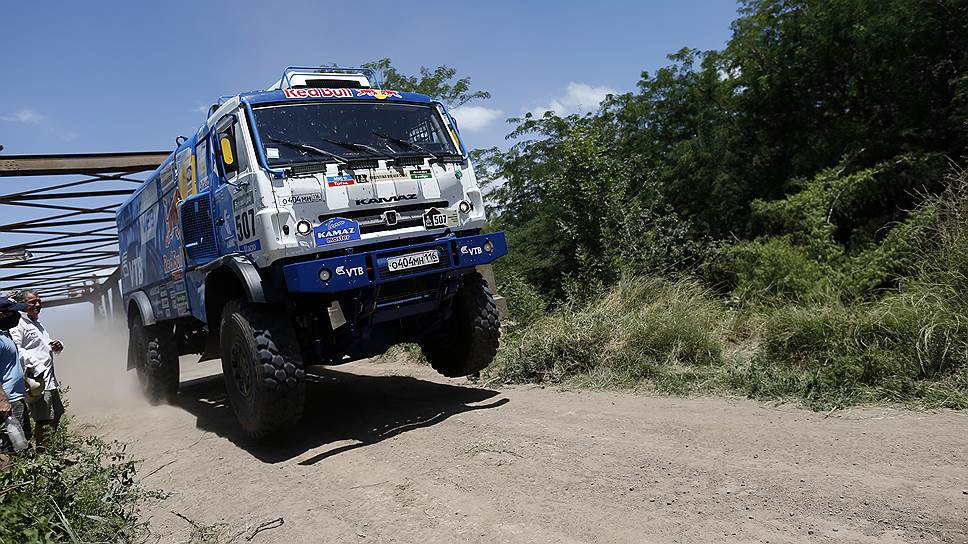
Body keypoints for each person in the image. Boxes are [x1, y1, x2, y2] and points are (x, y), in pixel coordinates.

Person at [10, 290, 64, 447]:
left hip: (49, 379)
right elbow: (17, 349)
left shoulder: (37, 323)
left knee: (57, 412)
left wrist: (57, 345)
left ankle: (47, 447)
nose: (38, 304)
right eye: (32, 302)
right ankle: (43, 453)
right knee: (43, 419)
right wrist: (36, 366)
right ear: (21, 305)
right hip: (37, 380)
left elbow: (42, 345)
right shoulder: (18, 323)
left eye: (39, 301)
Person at [0, 297, 30, 454]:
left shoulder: (5, 333)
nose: (17, 315)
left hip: (16, 397)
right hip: (8, 401)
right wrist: (2, 400)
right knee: (12, 448)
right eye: (13, 313)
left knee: (23, 443)